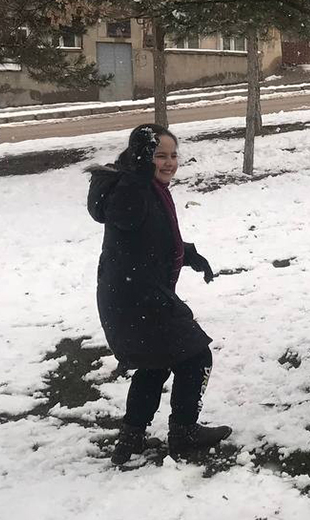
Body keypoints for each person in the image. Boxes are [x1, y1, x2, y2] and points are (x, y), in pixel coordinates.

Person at [87, 124, 232, 466]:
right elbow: (126, 215)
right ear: (140, 158)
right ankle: (183, 432)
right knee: (196, 357)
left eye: (173, 155)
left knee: (155, 365)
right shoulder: (132, 189)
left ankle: (131, 438)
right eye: (159, 156)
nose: (168, 163)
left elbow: (151, 237)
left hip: (131, 294)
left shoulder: (146, 188)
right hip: (139, 298)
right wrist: (138, 172)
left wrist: (191, 256)